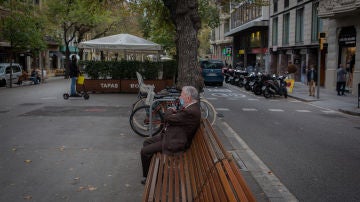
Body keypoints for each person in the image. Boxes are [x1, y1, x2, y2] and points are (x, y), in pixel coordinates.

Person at [140, 86, 201, 184]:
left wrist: (170, 110)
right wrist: (173, 112)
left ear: (188, 98)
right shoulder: (192, 107)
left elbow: (167, 118)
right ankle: (151, 172)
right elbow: (179, 117)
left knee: (144, 152)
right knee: (146, 142)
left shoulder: (190, 111)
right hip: (172, 135)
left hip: (175, 141)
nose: (180, 97)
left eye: (181, 95)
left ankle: (147, 178)